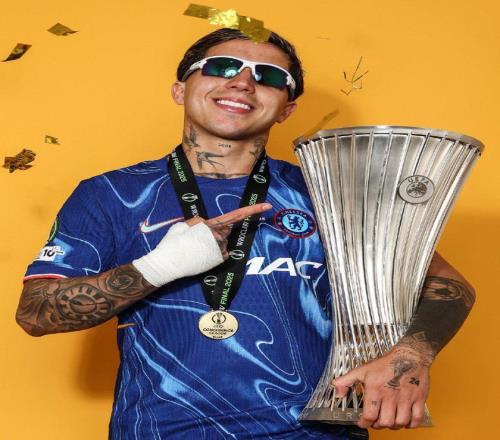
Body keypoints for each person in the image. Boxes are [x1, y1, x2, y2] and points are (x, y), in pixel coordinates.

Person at [16, 28, 475, 439]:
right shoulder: (111, 194)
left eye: (269, 77)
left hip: (311, 433)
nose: (242, 82)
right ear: (180, 89)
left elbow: (448, 286)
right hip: (159, 430)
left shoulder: (330, 193)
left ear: (287, 109)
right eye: (221, 67)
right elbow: (36, 314)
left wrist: (410, 357)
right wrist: (159, 266)